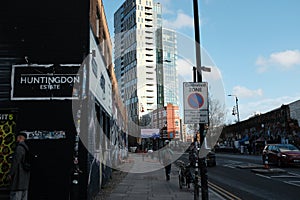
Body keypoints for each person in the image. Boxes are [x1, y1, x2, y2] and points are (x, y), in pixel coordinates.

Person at [9, 132, 30, 200]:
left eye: (17, 137)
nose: (16, 138)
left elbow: (15, 162)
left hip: (19, 176)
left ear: (20, 137)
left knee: (16, 196)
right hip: (25, 176)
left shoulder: (19, 148)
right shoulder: (26, 147)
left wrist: (11, 174)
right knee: (24, 196)